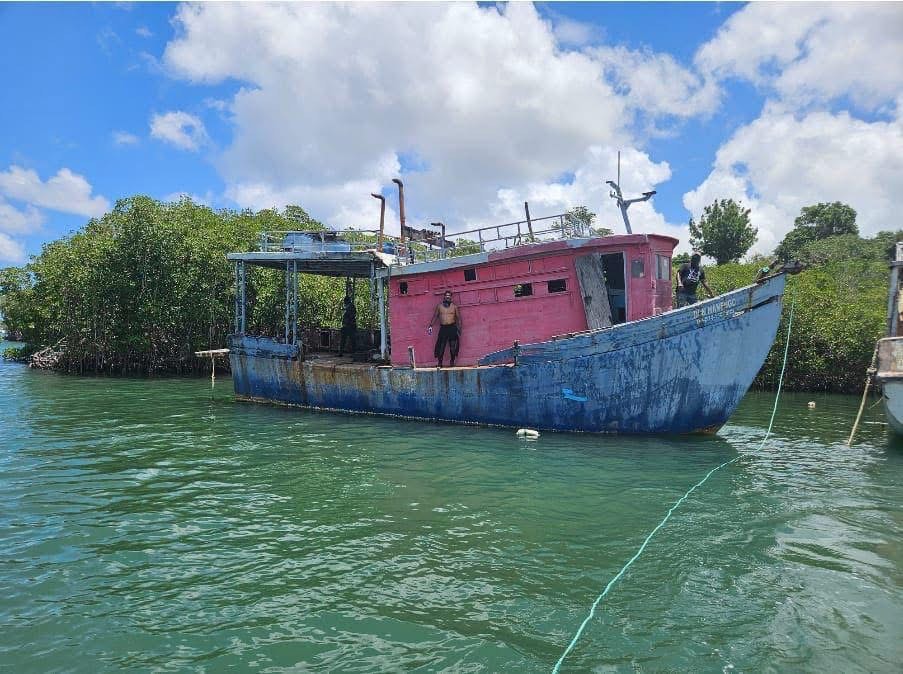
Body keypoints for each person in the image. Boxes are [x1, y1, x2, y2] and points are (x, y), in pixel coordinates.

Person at [428, 290, 461, 368]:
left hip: (452, 328)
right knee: (441, 347)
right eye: (446, 296)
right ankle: (440, 363)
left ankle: (452, 362)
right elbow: (435, 316)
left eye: (449, 296)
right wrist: (430, 325)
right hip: (443, 328)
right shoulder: (439, 306)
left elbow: (458, 318)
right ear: (444, 297)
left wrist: (459, 329)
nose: (448, 297)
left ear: (451, 297)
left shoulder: (454, 307)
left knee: (453, 348)